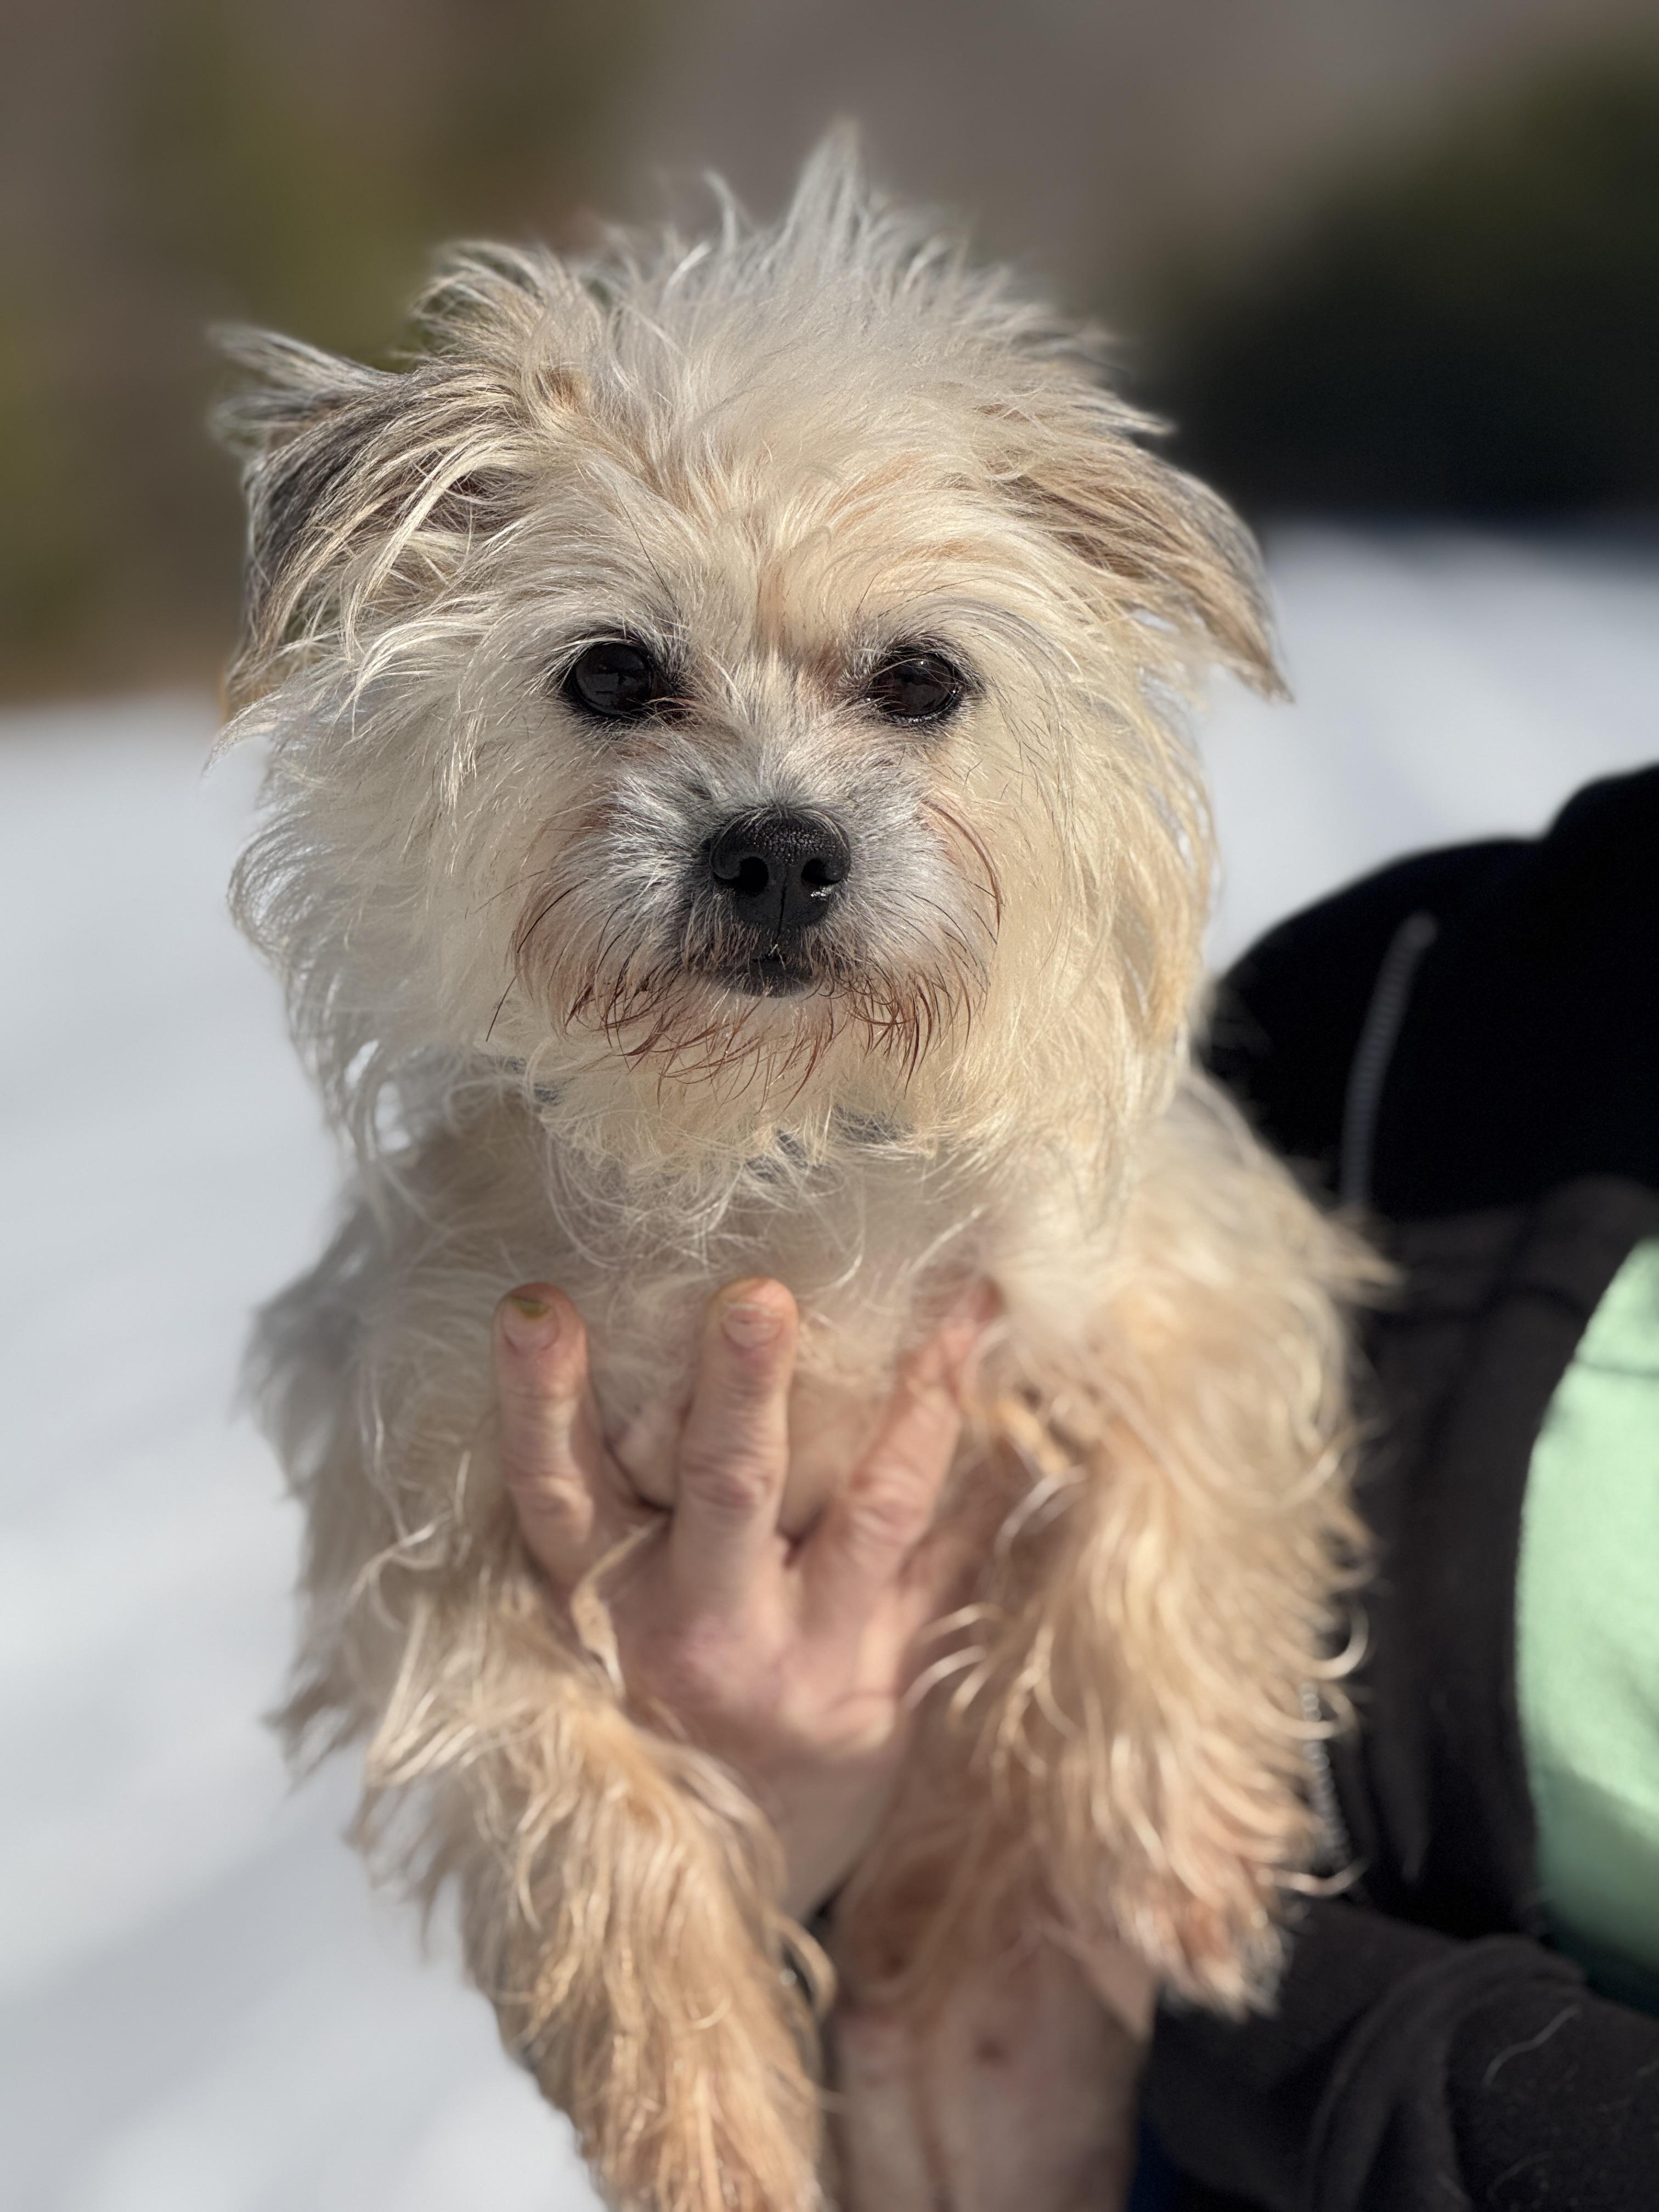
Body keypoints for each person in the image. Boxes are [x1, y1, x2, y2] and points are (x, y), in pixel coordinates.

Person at [492, 766, 1659, 2210]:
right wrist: (770, 1829)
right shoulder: (1398, 1001)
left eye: (913, 685)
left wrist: (1272, 2027)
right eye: (622, 687)